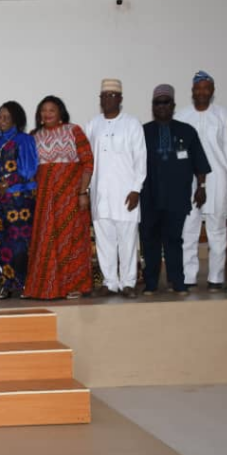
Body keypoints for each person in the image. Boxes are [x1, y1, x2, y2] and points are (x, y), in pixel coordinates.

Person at [140, 85, 211, 296]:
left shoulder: (186, 131)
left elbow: (199, 161)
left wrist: (201, 187)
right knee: (150, 241)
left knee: (174, 240)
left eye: (165, 102)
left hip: (176, 197)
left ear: (173, 105)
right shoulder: (142, 131)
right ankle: (151, 283)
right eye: (157, 103)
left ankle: (178, 282)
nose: (161, 106)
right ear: (152, 106)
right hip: (149, 197)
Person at [23, 96, 94, 300]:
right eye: (43, 110)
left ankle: (74, 286)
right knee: (46, 241)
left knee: (71, 240)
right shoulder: (34, 136)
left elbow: (88, 162)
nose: (47, 114)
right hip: (45, 199)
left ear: (60, 112)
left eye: (51, 110)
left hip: (70, 195)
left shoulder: (74, 130)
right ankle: (44, 287)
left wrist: (82, 192)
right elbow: (30, 168)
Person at [84, 78, 147, 298]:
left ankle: (128, 282)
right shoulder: (93, 124)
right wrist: (87, 189)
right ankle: (110, 282)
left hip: (126, 193)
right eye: (104, 96)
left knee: (128, 240)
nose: (107, 100)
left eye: (112, 96)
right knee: (104, 241)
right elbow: (88, 160)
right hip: (100, 193)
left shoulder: (132, 123)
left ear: (120, 98)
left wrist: (136, 188)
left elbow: (140, 157)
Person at [179, 71, 227, 291]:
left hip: (217, 178)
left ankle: (215, 278)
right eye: (198, 88)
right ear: (192, 91)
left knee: (217, 229)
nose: (202, 92)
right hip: (188, 180)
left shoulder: (223, 115)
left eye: (206, 88)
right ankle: (189, 277)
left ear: (212, 91)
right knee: (188, 229)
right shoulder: (182, 116)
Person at [0, 101, 38, 300]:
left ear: (16, 119)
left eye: (7, 117)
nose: (2, 120)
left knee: (20, 245)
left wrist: (7, 183)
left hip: (19, 201)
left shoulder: (24, 140)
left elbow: (29, 169)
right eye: (0, 116)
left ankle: (26, 283)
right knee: (1, 243)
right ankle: (6, 284)